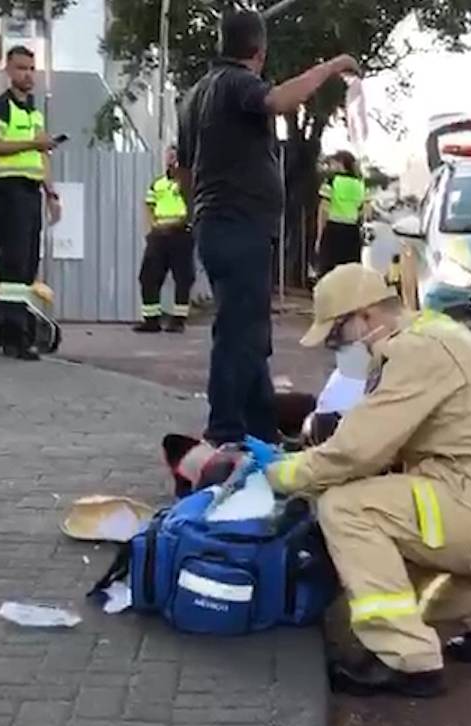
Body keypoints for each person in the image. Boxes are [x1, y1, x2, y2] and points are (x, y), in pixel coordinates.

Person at [260, 264, 471, 698]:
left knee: (348, 510)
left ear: (364, 317)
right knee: (388, 530)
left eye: (336, 336)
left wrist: (281, 474)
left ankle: (406, 659)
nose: (335, 348)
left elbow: (356, 452)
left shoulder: (416, 353)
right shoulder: (429, 337)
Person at [175, 9, 360, 445]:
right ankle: (223, 431)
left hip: (216, 223)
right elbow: (278, 101)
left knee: (250, 331)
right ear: (259, 51)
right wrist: (333, 66)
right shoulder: (237, 82)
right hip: (239, 224)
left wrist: (196, 212)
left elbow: (183, 170)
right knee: (238, 333)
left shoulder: (195, 95)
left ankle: (261, 428)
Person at [0, 45, 61, 361]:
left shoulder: (33, 111)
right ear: (9, 72)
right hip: (7, 192)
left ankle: (7, 332)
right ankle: (13, 337)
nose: (28, 74)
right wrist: (33, 142)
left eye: (31, 68)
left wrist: (51, 194)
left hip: (29, 194)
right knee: (13, 266)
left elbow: (40, 155)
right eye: (21, 68)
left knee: (26, 267)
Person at [134, 146, 194, 333]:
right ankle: (151, 320)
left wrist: (181, 223)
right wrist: (152, 227)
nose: (170, 158)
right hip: (159, 236)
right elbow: (148, 204)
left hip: (180, 233)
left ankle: (178, 320)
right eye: (168, 154)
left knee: (183, 277)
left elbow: (192, 206)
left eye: (174, 155)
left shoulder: (187, 182)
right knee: (148, 276)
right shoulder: (158, 183)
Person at [316, 151, 369, 275]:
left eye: (333, 163)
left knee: (328, 272)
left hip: (333, 230)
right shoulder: (360, 184)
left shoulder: (331, 180)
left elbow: (323, 209)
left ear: (341, 163)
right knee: (349, 274)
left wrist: (319, 236)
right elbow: (365, 211)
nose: (331, 166)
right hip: (352, 232)